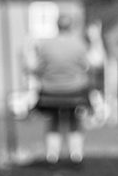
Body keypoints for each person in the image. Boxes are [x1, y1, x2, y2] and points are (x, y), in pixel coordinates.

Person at [28, 14, 99, 165]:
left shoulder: (46, 46)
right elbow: (90, 66)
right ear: (71, 26)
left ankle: (52, 156)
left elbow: (35, 69)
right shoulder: (79, 44)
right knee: (74, 119)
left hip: (50, 93)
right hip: (75, 92)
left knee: (53, 120)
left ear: (57, 26)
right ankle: (76, 155)